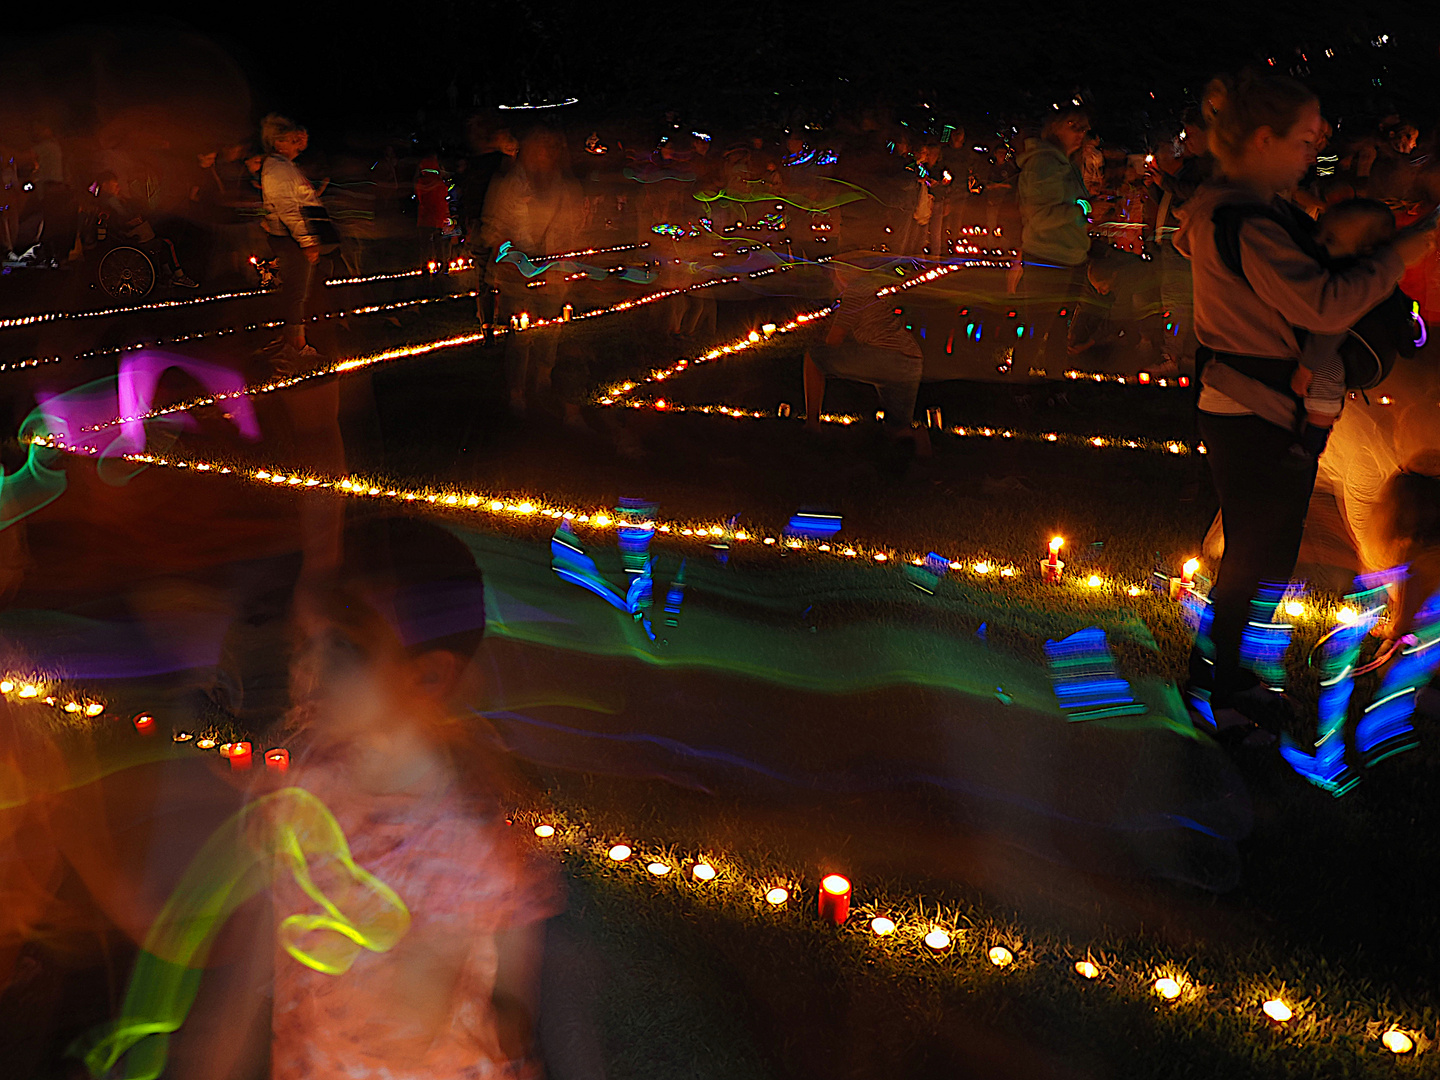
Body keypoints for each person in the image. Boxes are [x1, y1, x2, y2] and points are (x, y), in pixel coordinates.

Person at [1173, 72, 1437, 745]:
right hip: (1251, 408)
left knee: (1267, 552)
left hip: (1264, 405)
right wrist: (1399, 254)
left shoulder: (1249, 207)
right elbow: (1321, 302)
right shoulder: (1243, 217)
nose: (1315, 152)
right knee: (1255, 556)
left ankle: (1230, 676)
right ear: (1263, 140)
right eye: (1305, 140)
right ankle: (1217, 690)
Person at [480, 127, 584, 419]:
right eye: (539, 149)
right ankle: (517, 392)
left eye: (549, 150)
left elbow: (572, 227)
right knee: (521, 334)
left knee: (550, 330)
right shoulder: (509, 184)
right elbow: (494, 225)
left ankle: (543, 382)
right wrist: (509, 259)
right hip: (519, 273)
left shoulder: (564, 187)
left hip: (552, 270)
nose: (544, 155)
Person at [803, 253, 931, 458]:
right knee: (897, 428)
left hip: (886, 357)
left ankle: (812, 426)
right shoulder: (874, 289)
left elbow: (833, 340)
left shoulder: (855, 292)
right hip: (911, 361)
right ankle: (925, 457)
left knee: (815, 359)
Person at [1290, 199, 1398, 434]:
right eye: (1318, 231)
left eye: (1330, 239)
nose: (1317, 241)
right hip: (1350, 340)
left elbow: (1334, 322)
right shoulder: (1342, 263)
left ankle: (1314, 438)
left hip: (1361, 349)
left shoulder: (1353, 276)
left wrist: (1306, 368)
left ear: (1365, 250)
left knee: (1324, 370)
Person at [1013, 108, 1092, 370]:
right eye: (1073, 125)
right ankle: (1018, 387)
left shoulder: (1066, 163)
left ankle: (1055, 384)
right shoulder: (1043, 163)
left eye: (1084, 128)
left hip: (1071, 256)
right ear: (1054, 127)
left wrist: (1088, 210)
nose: (1080, 133)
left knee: (1060, 326)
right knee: (1038, 326)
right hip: (1048, 257)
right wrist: (1081, 210)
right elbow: (1041, 217)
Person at [259, 114, 328, 364]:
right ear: (278, 143)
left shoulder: (283, 165)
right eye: (291, 139)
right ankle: (297, 346)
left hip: (291, 237)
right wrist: (307, 240)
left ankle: (290, 338)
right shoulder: (278, 168)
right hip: (291, 239)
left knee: (297, 291)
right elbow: (289, 208)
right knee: (297, 292)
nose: (297, 142)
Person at [94, 171, 200, 288]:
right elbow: (124, 217)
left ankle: (168, 273)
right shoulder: (111, 201)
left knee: (162, 238)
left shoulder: (109, 200)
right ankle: (178, 275)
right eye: (114, 184)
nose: (117, 186)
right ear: (105, 185)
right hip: (131, 234)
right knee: (167, 243)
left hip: (129, 231)